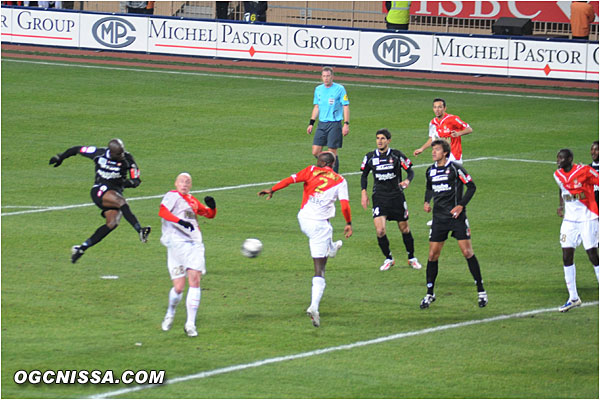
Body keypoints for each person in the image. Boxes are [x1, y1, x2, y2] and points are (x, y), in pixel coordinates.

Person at [258, 152, 352, 327]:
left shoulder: (310, 170)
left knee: (326, 229)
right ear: (332, 164)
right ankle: (314, 306)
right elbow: (345, 205)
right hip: (319, 227)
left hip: (303, 220)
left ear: (323, 162)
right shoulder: (340, 180)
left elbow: (289, 180)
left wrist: (272, 189)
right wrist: (348, 222)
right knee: (320, 269)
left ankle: (331, 248)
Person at [49, 139, 151, 263]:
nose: (122, 155)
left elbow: (136, 181)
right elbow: (77, 149)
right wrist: (60, 157)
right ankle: (140, 230)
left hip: (114, 192)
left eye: (122, 152)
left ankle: (81, 248)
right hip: (100, 191)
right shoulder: (98, 153)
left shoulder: (128, 159)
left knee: (112, 223)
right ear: (111, 153)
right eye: (119, 154)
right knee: (121, 202)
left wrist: (124, 183)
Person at [420, 140, 487, 309]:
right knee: (432, 255)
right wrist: (427, 201)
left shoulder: (456, 168)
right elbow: (429, 188)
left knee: (467, 252)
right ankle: (429, 293)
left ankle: (481, 291)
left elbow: (471, 187)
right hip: (439, 219)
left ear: (445, 153)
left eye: (436, 150)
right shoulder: (430, 170)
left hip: (457, 217)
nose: (433, 152)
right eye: (433, 149)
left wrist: (461, 205)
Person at [159, 173, 217, 337]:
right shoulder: (172, 196)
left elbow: (208, 215)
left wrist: (212, 207)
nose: (185, 183)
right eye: (182, 181)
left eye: (188, 181)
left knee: (195, 280)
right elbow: (163, 212)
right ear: (176, 183)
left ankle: (190, 324)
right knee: (178, 287)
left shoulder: (192, 200)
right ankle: (170, 312)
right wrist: (179, 221)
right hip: (175, 246)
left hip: (194, 245)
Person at [360, 129, 421, 271]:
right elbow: (364, 175)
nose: (380, 141)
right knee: (380, 230)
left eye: (382, 138)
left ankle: (411, 257)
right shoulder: (370, 157)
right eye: (377, 138)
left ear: (389, 140)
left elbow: (410, 170)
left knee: (404, 228)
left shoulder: (397, 155)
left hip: (396, 196)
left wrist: (407, 181)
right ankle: (388, 258)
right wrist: (364, 192)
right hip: (379, 197)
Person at [554, 149, 599, 312]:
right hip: (570, 220)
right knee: (566, 256)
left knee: (592, 254)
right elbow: (561, 188)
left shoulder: (585, 171)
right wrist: (560, 205)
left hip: (588, 217)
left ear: (570, 159)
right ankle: (573, 297)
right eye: (558, 158)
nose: (558, 161)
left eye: (561, 158)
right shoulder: (557, 174)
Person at [307, 66, 350, 173]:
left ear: (332, 76)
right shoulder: (318, 89)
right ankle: (328, 166)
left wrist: (346, 124)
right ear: (321, 77)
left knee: (332, 152)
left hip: (334, 124)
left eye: (328, 76)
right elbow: (317, 107)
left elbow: (345, 106)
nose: (326, 78)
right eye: (324, 76)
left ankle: (334, 175)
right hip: (322, 124)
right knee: (315, 151)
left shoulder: (339, 89)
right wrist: (311, 123)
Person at [413, 98, 472, 165]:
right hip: (441, 156)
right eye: (435, 107)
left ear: (444, 108)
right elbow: (432, 139)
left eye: (439, 107)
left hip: (454, 156)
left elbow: (469, 129)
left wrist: (458, 133)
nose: (437, 110)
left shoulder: (453, 119)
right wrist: (422, 149)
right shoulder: (433, 123)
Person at [590, 140, 599, 210]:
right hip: (591, 210)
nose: (593, 152)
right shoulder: (587, 168)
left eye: (596, 150)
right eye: (592, 150)